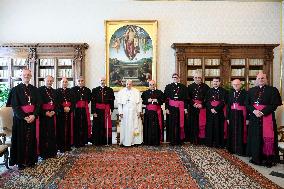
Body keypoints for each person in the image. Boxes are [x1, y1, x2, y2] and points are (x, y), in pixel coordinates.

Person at [246, 73, 282, 167]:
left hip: (267, 116)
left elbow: (274, 105)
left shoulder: (273, 90)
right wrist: (254, 111)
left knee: (266, 137)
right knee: (255, 137)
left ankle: (268, 159)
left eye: (263, 78)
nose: (261, 79)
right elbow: (247, 104)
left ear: (266, 79)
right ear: (256, 79)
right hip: (254, 117)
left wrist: (262, 112)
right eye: (259, 78)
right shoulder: (251, 90)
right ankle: (256, 158)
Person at [9, 68, 40, 169]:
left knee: (31, 139)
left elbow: (38, 104)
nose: (26, 76)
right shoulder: (15, 89)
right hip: (20, 119)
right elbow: (15, 106)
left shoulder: (35, 89)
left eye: (28, 75)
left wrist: (34, 115)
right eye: (24, 75)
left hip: (32, 117)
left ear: (31, 76)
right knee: (20, 139)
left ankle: (31, 160)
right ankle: (20, 162)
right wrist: (24, 117)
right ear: (21, 76)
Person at [117, 80, 143, 146]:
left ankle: (135, 142)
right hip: (125, 112)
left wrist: (139, 111)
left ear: (132, 84)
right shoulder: (121, 92)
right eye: (127, 84)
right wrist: (120, 112)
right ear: (125, 84)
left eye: (130, 84)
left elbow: (139, 103)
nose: (128, 85)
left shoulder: (136, 91)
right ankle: (125, 142)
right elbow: (119, 104)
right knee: (126, 127)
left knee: (135, 126)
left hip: (134, 111)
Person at [164, 73, 188, 145]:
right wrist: (167, 108)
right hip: (171, 108)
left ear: (179, 78)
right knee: (172, 124)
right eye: (174, 77)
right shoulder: (168, 87)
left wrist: (185, 108)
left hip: (180, 108)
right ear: (172, 78)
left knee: (179, 123)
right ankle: (172, 140)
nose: (175, 78)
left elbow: (186, 99)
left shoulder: (183, 87)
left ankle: (179, 140)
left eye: (176, 77)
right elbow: (166, 99)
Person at [187, 71, 210, 144]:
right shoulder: (190, 86)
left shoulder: (206, 87)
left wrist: (202, 104)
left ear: (201, 78)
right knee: (193, 123)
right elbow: (188, 98)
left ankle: (201, 140)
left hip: (202, 108)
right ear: (193, 78)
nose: (197, 79)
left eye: (199, 77)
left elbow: (208, 98)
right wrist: (193, 103)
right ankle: (193, 140)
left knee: (202, 123)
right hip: (193, 107)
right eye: (196, 77)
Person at [38, 75, 57, 159]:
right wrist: (45, 113)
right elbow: (38, 105)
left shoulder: (54, 91)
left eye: (51, 81)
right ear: (44, 81)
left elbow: (57, 103)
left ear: (53, 82)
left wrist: (54, 111)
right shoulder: (39, 90)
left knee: (52, 134)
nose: (49, 82)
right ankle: (44, 154)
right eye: (48, 81)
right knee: (43, 135)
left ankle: (52, 152)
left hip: (52, 115)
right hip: (43, 116)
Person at [226, 79, 248, 155]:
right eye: (234, 84)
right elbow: (228, 106)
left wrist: (247, 118)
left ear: (240, 85)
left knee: (240, 132)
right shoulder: (230, 93)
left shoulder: (245, 93)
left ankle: (240, 150)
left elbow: (247, 106)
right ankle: (232, 149)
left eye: (237, 84)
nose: (236, 86)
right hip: (232, 115)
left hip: (241, 115)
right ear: (232, 85)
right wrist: (228, 117)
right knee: (232, 131)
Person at [91, 77, 115, 145]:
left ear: (106, 81)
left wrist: (111, 109)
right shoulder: (95, 90)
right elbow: (93, 102)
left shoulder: (110, 90)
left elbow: (111, 101)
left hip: (106, 110)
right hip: (97, 110)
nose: (102, 81)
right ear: (99, 81)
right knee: (97, 126)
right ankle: (97, 142)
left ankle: (106, 141)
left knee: (106, 126)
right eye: (101, 80)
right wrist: (94, 112)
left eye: (104, 80)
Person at [205, 77, 227, 148]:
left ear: (219, 82)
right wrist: (211, 108)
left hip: (219, 111)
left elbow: (223, 102)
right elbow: (207, 101)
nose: (215, 83)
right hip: (210, 112)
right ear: (212, 82)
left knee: (219, 127)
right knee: (210, 127)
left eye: (217, 81)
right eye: (214, 81)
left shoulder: (224, 91)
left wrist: (216, 109)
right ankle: (210, 143)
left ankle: (218, 143)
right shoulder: (209, 91)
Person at [141, 80, 165, 145]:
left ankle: (157, 140)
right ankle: (148, 141)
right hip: (148, 112)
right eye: (150, 85)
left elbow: (163, 101)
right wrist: (147, 100)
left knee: (157, 126)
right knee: (148, 126)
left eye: (153, 84)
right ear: (148, 85)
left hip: (157, 112)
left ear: (155, 85)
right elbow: (143, 101)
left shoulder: (159, 92)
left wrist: (157, 100)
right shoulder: (145, 93)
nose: (152, 86)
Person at [71, 76, 91, 147]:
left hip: (84, 110)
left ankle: (83, 141)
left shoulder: (88, 90)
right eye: (79, 81)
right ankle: (76, 141)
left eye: (82, 81)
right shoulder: (72, 89)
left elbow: (88, 100)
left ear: (84, 81)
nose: (80, 82)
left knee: (84, 125)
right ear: (77, 81)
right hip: (76, 110)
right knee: (76, 125)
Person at [56, 77, 74, 152]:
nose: (65, 83)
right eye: (63, 82)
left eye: (66, 82)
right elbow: (56, 102)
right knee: (60, 130)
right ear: (61, 83)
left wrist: (70, 108)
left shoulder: (71, 91)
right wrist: (62, 109)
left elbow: (74, 102)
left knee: (68, 129)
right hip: (60, 114)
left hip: (69, 113)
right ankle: (61, 147)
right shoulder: (57, 91)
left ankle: (68, 146)